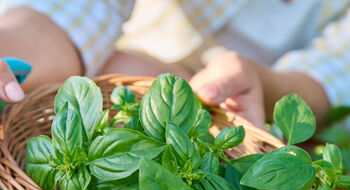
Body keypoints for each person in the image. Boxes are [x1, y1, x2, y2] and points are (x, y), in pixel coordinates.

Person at [0, 0, 349, 130]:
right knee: (121, 73)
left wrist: (265, 84)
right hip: (117, 63)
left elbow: (334, 73)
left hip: (247, 117)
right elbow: (70, 10)